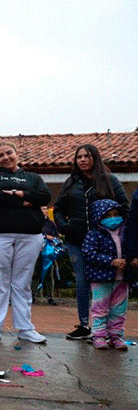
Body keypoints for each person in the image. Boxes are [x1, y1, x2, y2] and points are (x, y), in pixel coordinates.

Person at [0, 142, 51, 344]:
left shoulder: (33, 177)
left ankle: (25, 328)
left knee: (22, 283)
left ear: (17, 154)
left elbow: (45, 196)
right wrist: (26, 201)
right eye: (0, 155)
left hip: (29, 235)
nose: (5, 157)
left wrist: (17, 193)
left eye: (9, 153)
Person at [54, 144, 129, 341]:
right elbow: (59, 208)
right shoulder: (71, 183)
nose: (83, 160)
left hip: (105, 243)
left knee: (107, 283)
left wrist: (120, 232)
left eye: (87, 156)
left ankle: (106, 330)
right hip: (76, 240)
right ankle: (84, 325)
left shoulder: (110, 181)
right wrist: (65, 227)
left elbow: (125, 208)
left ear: (95, 158)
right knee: (81, 281)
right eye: (79, 157)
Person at [82, 199, 129, 350]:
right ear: (99, 217)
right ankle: (99, 336)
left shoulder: (124, 233)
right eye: (108, 215)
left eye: (116, 214)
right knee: (100, 308)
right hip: (101, 278)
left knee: (119, 309)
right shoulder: (94, 234)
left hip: (122, 279)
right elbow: (88, 253)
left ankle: (116, 336)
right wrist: (111, 261)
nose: (113, 218)